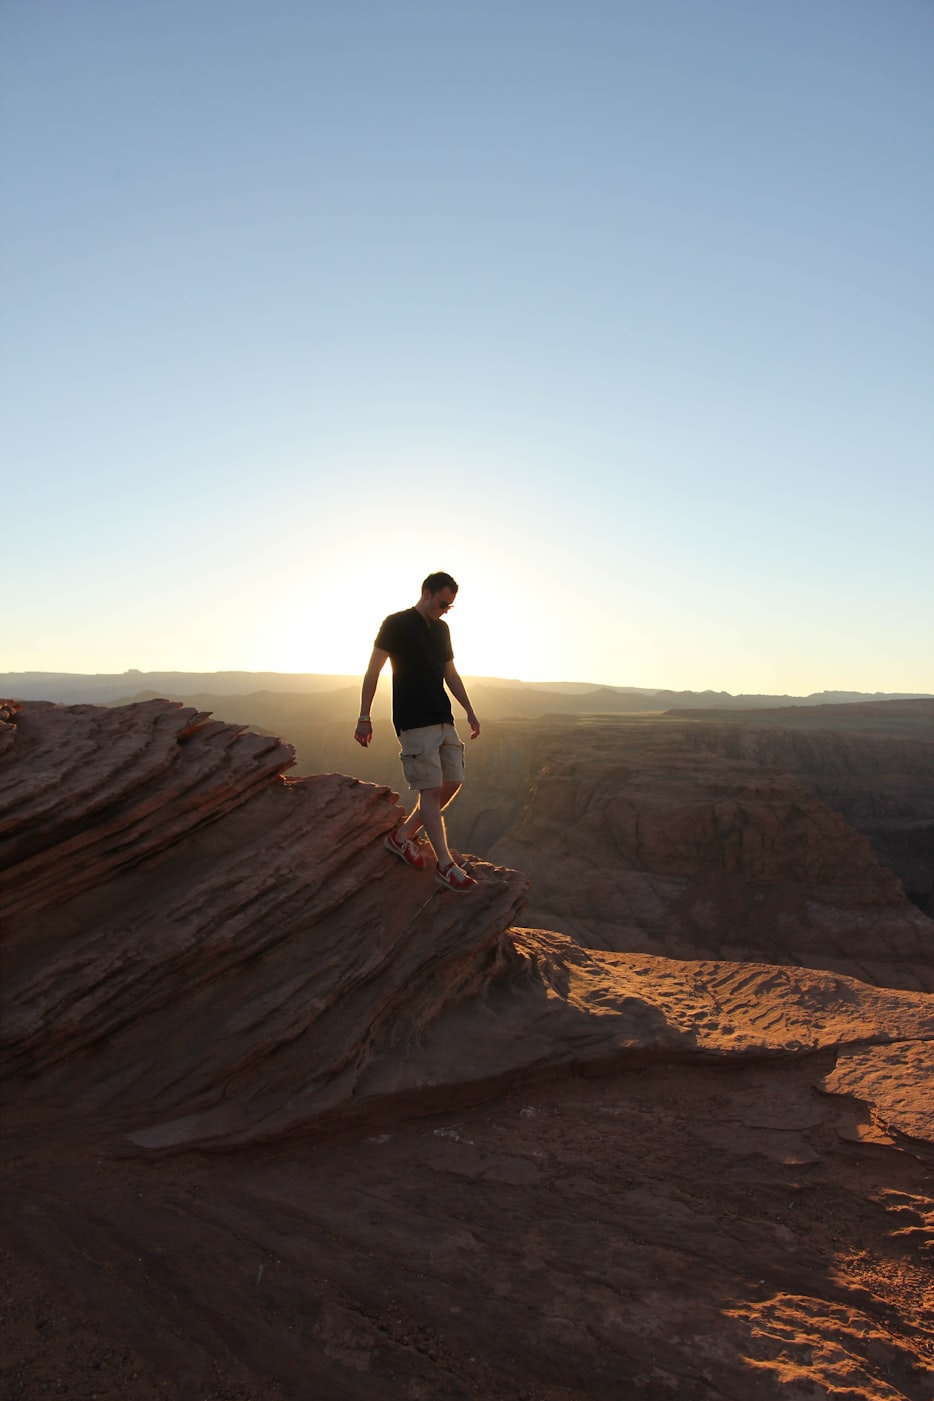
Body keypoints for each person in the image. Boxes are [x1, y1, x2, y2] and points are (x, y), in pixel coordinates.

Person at [355, 571, 480, 892]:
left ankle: (401, 837)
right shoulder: (395, 624)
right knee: (429, 789)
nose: (444, 609)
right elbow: (373, 670)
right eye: (442, 603)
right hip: (413, 722)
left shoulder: (441, 629)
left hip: (443, 718)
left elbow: (450, 673)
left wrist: (469, 710)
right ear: (426, 593)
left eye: (449, 606)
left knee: (452, 782)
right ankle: (445, 865)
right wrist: (364, 715)